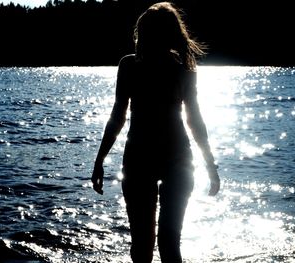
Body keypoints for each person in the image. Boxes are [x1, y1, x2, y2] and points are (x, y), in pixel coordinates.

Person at [91, 2, 220, 262]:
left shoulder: (139, 67)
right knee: (164, 243)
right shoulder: (177, 70)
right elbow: (195, 122)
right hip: (169, 160)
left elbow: (118, 117)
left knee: (146, 244)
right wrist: (210, 166)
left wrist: (100, 160)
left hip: (151, 158)